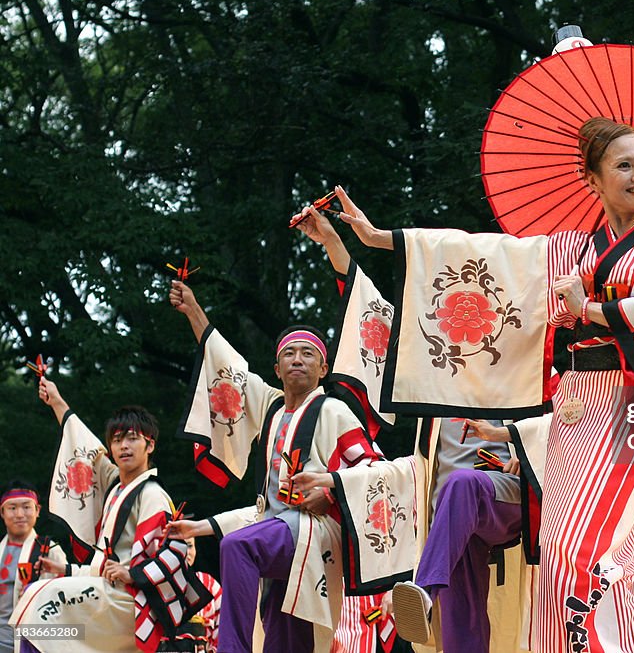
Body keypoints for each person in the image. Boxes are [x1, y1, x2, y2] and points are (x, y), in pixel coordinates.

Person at [328, 116, 634, 652]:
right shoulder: (575, 249)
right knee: (557, 557)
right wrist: (379, 239)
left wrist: (594, 310)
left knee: (590, 553)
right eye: (623, 165)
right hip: (575, 411)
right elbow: (488, 256)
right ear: (593, 180)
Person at [289, 200, 543, 652]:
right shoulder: (431, 364)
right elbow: (371, 313)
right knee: (463, 628)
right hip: (447, 512)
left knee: (463, 487)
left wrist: (525, 454)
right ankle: (434, 592)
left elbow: (564, 427)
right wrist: (331, 239)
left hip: (506, 499)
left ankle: (423, 591)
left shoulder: (526, 359)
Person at [165, 280, 380, 653]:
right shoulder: (272, 410)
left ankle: (232, 648)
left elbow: (373, 471)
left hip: (314, 531)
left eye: (308, 354)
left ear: (324, 368)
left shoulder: (334, 410)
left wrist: (330, 489)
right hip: (279, 530)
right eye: (290, 353)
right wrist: (194, 312)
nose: (298, 359)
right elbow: (226, 364)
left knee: (238, 547)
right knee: (284, 643)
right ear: (276, 368)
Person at [11, 379, 210, 653]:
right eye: (117, 440)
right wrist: (57, 402)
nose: (124, 446)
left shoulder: (152, 494)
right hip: (110, 592)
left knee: (40, 608)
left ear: (149, 445)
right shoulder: (117, 486)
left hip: (133, 602)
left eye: (132, 438)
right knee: (41, 617)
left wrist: (132, 573)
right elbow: (82, 443)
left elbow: (175, 553)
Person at [0, 480, 67, 653]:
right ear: (2, 512)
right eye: (12, 508)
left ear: (37, 510)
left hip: (30, 644)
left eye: (26, 507)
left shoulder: (50, 551)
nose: (20, 514)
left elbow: (66, 600)